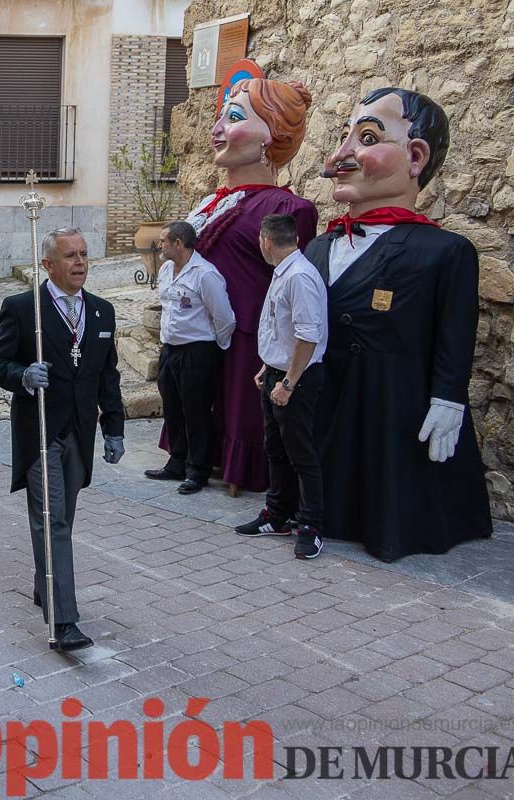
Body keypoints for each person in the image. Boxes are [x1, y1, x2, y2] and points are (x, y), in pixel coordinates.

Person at [307, 87, 491, 562]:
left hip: (395, 401)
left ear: (415, 157)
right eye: (344, 138)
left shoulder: (445, 252)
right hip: (331, 397)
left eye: (367, 138)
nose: (340, 155)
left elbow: (455, 334)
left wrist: (448, 396)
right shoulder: (318, 248)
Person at [162, 78, 318, 494]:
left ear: (272, 136)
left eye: (232, 119)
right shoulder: (211, 202)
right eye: (219, 118)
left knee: (239, 406)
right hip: (198, 330)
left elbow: (288, 281)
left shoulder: (287, 208)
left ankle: (240, 467)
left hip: (247, 332)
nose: (216, 130)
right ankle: (191, 457)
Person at [0, 227, 125, 652]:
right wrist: (22, 376)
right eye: (70, 256)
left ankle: (47, 584)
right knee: (54, 522)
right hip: (40, 432)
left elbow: (108, 375)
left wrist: (114, 427)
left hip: (79, 433)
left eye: (83, 254)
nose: (80, 263)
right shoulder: (24, 309)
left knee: (63, 519)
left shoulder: (102, 312)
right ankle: (64, 621)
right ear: (47, 264)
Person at [235, 215, 328, 559]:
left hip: (296, 380)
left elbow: (308, 336)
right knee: (276, 449)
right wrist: (268, 366)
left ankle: (310, 526)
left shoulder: (300, 276)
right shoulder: (284, 271)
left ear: (266, 241)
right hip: (278, 373)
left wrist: (288, 382)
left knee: (301, 454)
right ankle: (277, 515)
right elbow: (281, 328)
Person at [145, 221, 236, 494]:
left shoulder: (205, 274)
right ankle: (177, 462)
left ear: (178, 244)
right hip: (170, 349)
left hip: (197, 351)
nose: (159, 245)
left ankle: (198, 471)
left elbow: (224, 318)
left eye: (163, 241)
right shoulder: (165, 270)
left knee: (196, 413)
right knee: (172, 407)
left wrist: (213, 347)